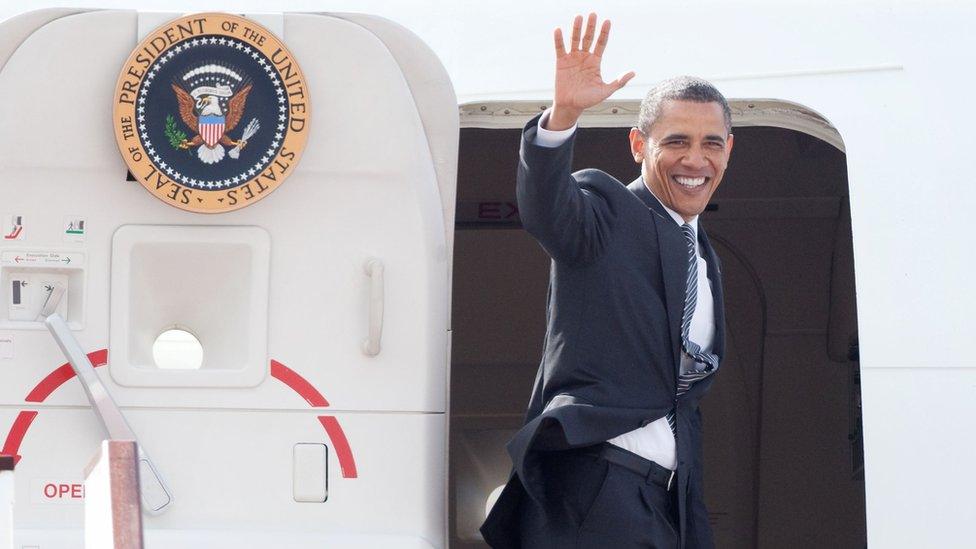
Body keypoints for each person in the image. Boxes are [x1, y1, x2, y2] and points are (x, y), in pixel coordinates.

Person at [480, 12, 734, 549]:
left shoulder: (704, 253)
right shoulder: (607, 210)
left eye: (712, 143)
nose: (696, 159)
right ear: (638, 146)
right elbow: (548, 210)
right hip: (597, 495)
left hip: (670, 503)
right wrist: (563, 116)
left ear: (728, 150)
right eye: (677, 141)